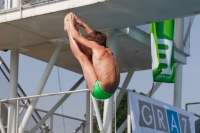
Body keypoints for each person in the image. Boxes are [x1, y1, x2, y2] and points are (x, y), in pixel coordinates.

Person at [64, 12, 120, 100]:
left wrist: (70, 24)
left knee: (83, 57)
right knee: (89, 56)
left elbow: (76, 36)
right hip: (111, 92)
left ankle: (68, 30)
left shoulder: (96, 47)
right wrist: (82, 24)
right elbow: (94, 37)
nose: (86, 47)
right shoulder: (108, 50)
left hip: (99, 90)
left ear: (93, 43)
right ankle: (74, 28)